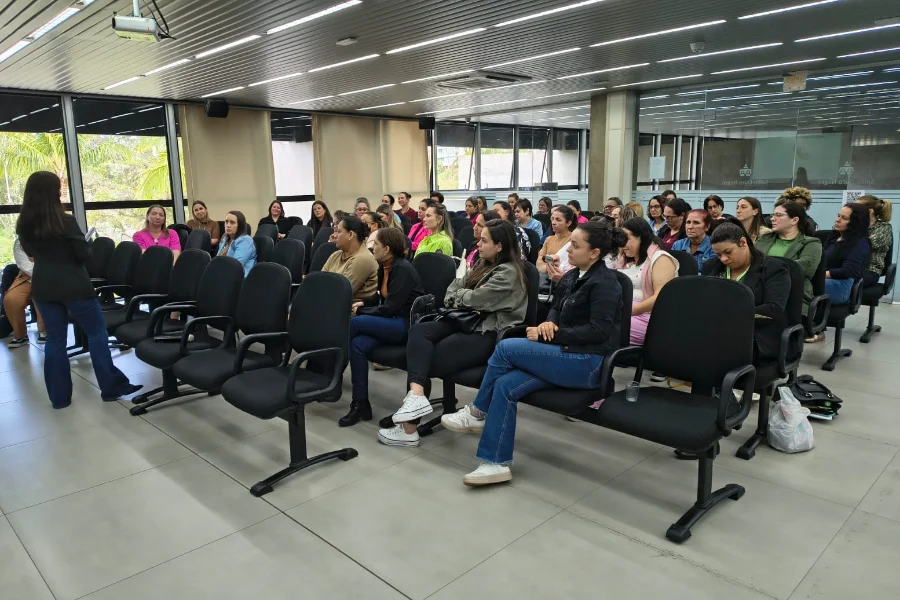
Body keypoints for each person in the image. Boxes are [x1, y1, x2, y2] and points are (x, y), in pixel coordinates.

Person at [440, 221, 626, 486]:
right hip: (562, 353)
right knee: (505, 385)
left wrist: (552, 333)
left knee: (505, 348)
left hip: (588, 363)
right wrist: (548, 323)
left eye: (575, 245)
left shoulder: (606, 284)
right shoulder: (573, 276)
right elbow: (555, 309)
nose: (567, 249)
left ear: (595, 253)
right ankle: (496, 463)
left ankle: (479, 411)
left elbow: (598, 332)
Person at [377, 220, 528, 448]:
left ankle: (409, 429)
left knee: (428, 359)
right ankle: (416, 397)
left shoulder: (509, 273)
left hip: (485, 332)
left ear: (499, 246)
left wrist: (463, 297)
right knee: (419, 331)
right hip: (465, 320)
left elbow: (474, 299)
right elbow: (452, 288)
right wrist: (464, 297)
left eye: (484, 240)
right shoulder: (481, 262)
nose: (478, 243)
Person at [16, 171, 141, 409]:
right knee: (96, 333)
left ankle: (59, 398)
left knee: (55, 339)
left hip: (43, 286)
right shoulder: (65, 221)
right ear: (53, 192)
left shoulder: (24, 223)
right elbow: (83, 255)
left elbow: (31, 252)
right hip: (74, 285)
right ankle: (110, 387)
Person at [341, 228, 424, 427]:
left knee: (354, 323)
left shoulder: (402, 268)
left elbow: (390, 308)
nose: (372, 248)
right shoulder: (384, 266)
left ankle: (332, 371)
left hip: (405, 325)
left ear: (387, 249)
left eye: (375, 245)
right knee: (358, 344)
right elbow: (381, 295)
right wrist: (363, 303)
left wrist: (361, 312)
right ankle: (360, 404)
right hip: (390, 321)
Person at [703, 221, 790, 364]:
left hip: (757, 334)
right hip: (716, 331)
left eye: (728, 252)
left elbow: (774, 309)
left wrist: (729, 316)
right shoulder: (712, 267)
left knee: (713, 350)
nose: (723, 259)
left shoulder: (773, 269)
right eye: (718, 255)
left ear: (743, 242)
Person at [617, 217, 678, 346]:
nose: (622, 244)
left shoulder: (660, 258)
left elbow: (661, 296)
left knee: (604, 327)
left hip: (648, 317)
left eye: (626, 239)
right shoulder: (623, 260)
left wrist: (627, 311)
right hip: (622, 312)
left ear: (640, 237)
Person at [757, 201, 821, 307]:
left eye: (778, 215)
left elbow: (804, 267)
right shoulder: (764, 239)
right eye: (773, 215)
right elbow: (750, 260)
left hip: (792, 297)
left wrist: (765, 266)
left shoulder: (811, 243)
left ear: (794, 220)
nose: (772, 218)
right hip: (760, 294)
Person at [820, 203, 871, 308]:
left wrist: (819, 276)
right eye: (838, 215)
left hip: (842, 285)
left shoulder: (861, 242)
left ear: (855, 223)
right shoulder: (834, 237)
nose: (837, 220)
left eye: (844, 218)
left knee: (800, 287)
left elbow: (849, 271)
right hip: (825, 280)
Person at [323, 215, 379, 302]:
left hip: (349, 311)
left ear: (350, 234)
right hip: (331, 305)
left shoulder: (363, 259)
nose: (334, 235)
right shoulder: (336, 255)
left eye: (338, 231)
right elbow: (320, 281)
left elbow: (340, 292)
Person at [4, 238, 46, 347]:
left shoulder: (51, 235)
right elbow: (24, 264)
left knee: (41, 296)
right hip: (27, 277)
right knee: (11, 299)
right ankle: (20, 336)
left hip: (49, 275)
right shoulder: (20, 242)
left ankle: (44, 332)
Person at [856, 194, 893, 287]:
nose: (853, 210)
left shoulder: (884, 228)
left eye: (857, 208)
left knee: (844, 281)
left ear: (870, 211)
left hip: (870, 270)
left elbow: (863, 245)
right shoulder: (856, 225)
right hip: (851, 267)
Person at [537, 205, 576, 279]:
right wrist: (548, 269)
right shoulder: (549, 239)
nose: (553, 222)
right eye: (552, 219)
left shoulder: (573, 240)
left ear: (568, 223)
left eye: (558, 220)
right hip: (546, 278)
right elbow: (539, 261)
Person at [218, 211, 257, 277]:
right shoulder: (225, 238)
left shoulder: (245, 241)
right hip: (224, 273)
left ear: (240, 225)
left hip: (240, 277)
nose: (228, 225)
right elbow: (218, 258)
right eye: (226, 222)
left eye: (232, 222)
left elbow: (235, 266)